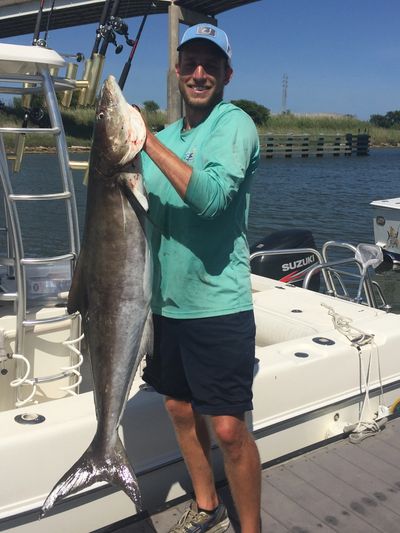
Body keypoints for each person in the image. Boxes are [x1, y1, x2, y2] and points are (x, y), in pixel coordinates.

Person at [141, 22, 261, 533]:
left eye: (210, 65)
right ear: (176, 70)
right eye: (190, 62)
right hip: (167, 305)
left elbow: (211, 199)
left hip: (220, 305)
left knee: (230, 430)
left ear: (227, 74)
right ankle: (207, 504)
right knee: (179, 409)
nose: (198, 73)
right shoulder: (163, 138)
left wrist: (141, 139)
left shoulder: (235, 125)